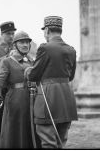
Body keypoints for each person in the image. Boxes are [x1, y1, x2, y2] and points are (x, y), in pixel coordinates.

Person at [25, 16, 78, 149]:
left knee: (48, 142)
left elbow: (33, 75)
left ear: (47, 30)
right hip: (67, 99)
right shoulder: (71, 50)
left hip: (48, 99)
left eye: (44, 30)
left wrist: (28, 70)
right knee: (61, 141)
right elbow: (71, 76)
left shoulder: (45, 48)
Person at [0, 31, 35, 149]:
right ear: (15, 45)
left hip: (32, 101)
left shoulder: (32, 62)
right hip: (15, 101)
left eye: (27, 42)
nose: (25, 45)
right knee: (14, 133)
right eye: (22, 42)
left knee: (30, 132)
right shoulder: (7, 61)